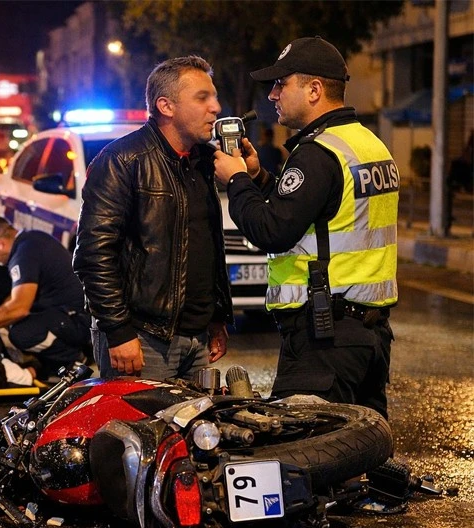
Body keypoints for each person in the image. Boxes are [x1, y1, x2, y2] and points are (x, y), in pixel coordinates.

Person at [213, 36, 399, 418]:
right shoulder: (367, 144)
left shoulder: (317, 154)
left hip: (324, 339)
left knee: (301, 449)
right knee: (361, 448)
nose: (272, 95)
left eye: (282, 84)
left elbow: (272, 231)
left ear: (314, 90)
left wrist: (236, 180)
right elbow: (316, 213)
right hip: (369, 336)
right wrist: (260, 178)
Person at [72, 56, 232, 381]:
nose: (215, 107)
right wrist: (118, 330)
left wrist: (216, 317)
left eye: (214, 97)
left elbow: (206, 246)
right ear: (166, 106)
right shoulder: (122, 159)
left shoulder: (205, 161)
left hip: (198, 337)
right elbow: (93, 254)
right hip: (142, 337)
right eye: (202, 98)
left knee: (197, 418)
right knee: (139, 418)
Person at [0, 216, 91, 375]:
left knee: (22, 334)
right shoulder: (30, 241)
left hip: (77, 319)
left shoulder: (23, 256)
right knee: (7, 321)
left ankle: (73, 360)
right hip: (73, 312)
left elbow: (19, 308)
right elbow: (15, 297)